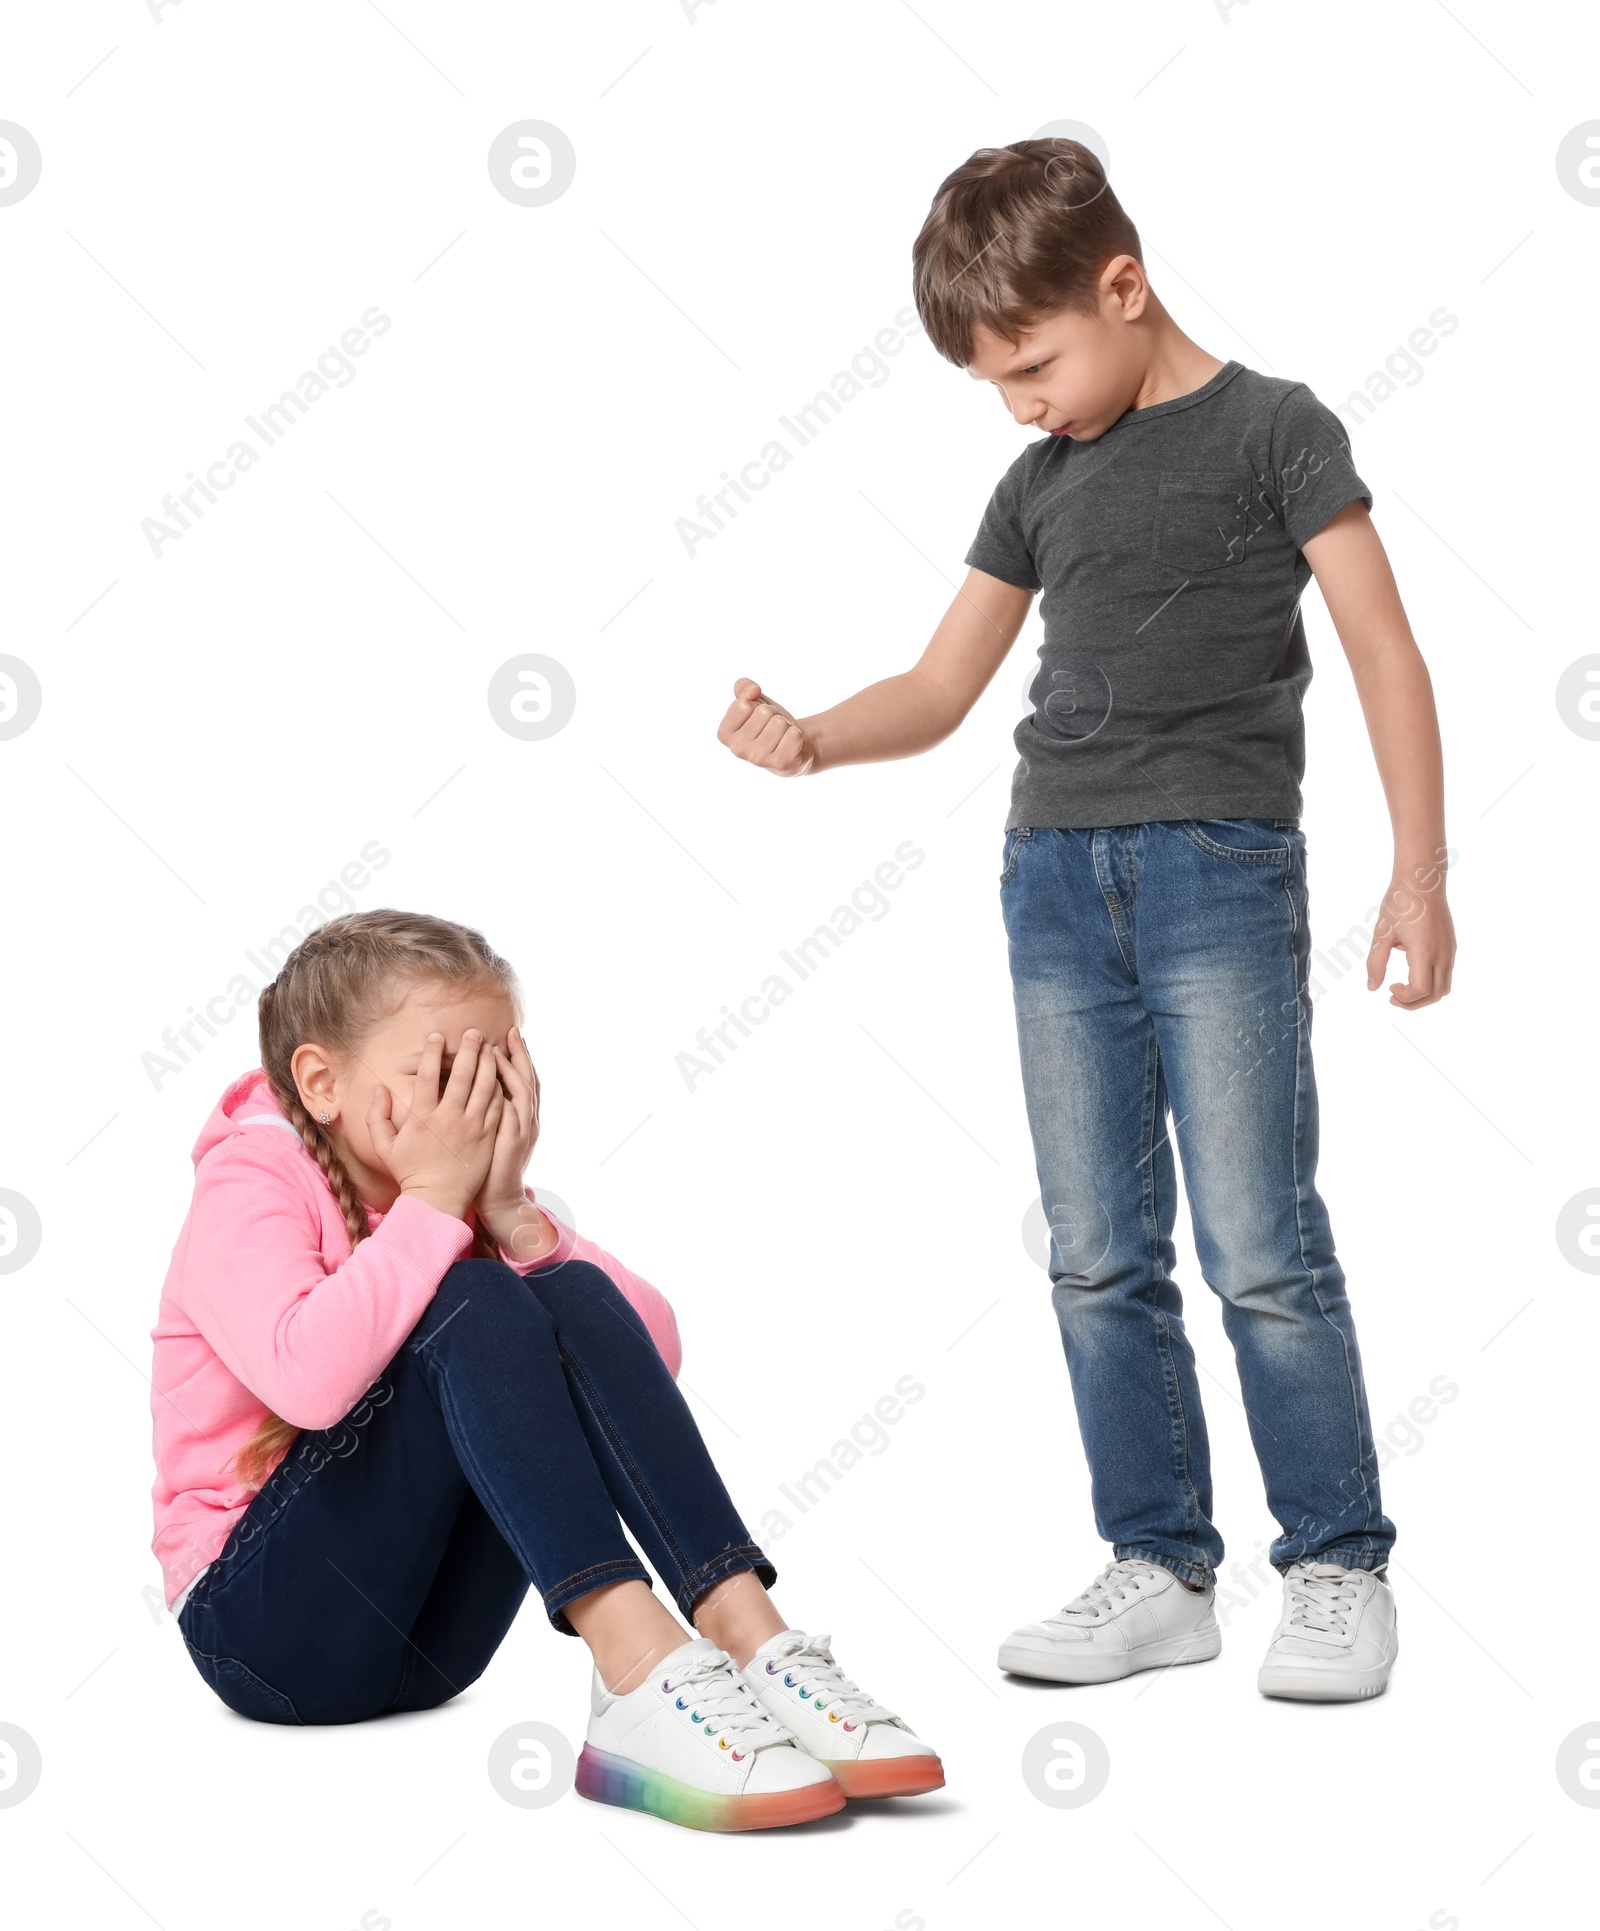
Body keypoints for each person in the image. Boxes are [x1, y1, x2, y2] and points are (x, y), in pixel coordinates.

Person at [716, 138, 1456, 1702]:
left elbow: (1387, 648)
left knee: (1261, 1239)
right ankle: (1163, 1566)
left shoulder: (1279, 430)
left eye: (1034, 364)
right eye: (994, 384)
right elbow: (939, 684)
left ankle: (1334, 1562)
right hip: (1053, 881)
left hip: (1220, 874)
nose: (1023, 403)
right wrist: (813, 735)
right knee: (1097, 1250)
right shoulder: (1038, 480)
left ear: (1124, 287)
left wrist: (1419, 872)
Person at [149, 909, 943, 1826]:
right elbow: (308, 1382)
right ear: (322, 1082)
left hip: (436, 1646)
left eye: (495, 1071)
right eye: (439, 1074)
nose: (472, 1103)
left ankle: (747, 1631)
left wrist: (512, 1213)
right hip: (268, 1635)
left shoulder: (460, 1201)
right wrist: (437, 1204)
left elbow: (651, 1350)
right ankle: (639, 1663)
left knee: (556, 1289)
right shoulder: (253, 1179)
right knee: (473, 1300)